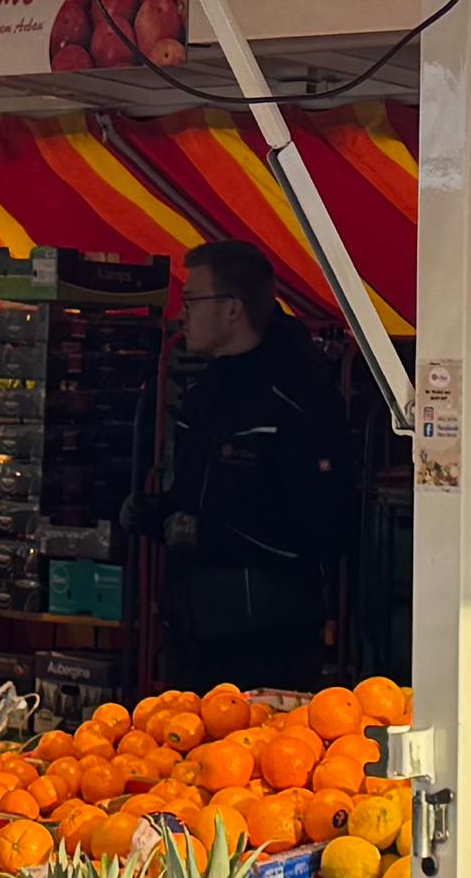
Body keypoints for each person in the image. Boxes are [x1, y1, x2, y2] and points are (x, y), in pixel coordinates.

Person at [148, 240, 358, 684]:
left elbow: (323, 526)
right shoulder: (204, 392)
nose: (181, 313)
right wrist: (154, 513)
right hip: (192, 635)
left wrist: (211, 536)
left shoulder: (298, 396)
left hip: (267, 645)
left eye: (191, 300)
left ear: (231, 308)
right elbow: (195, 496)